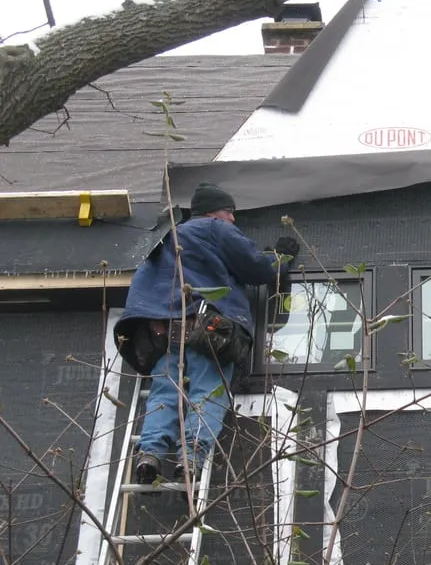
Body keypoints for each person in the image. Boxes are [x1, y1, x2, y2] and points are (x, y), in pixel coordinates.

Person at [115, 183, 301, 482]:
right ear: (213, 212)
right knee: (208, 392)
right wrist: (281, 258)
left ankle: (149, 453)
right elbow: (255, 267)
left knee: (165, 393)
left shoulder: (164, 237)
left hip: (163, 332)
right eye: (229, 212)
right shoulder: (214, 229)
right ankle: (190, 457)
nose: (233, 219)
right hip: (205, 331)